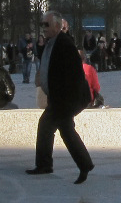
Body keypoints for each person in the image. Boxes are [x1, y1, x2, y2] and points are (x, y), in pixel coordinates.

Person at [30, 11, 94, 183]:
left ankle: (45, 165)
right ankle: (84, 164)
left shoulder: (64, 43)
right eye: (42, 24)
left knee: (46, 125)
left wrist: (61, 100)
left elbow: (72, 75)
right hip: (61, 98)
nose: (43, 28)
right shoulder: (53, 42)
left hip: (66, 98)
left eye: (47, 24)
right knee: (65, 129)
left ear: (58, 26)